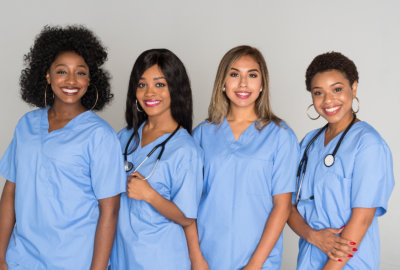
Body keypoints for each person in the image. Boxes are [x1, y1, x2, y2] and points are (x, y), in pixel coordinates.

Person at [0, 25, 125, 270]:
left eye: (80, 72)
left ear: (90, 79)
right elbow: (10, 193)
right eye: (61, 71)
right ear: (47, 76)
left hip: (73, 261)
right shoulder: (27, 125)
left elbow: (109, 210)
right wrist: (1, 256)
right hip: (21, 259)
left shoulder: (100, 135)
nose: (71, 80)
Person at [191, 45, 299, 270]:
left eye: (252, 75)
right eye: (234, 74)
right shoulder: (202, 133)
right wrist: (196, 258)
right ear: (223, 82)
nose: (243, 83)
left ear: (262, 84)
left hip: (258, 260)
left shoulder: (281, 135)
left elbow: (282, 206)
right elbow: (188, 203)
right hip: (207, 255)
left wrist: (255, 265)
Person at [287, 51, 395, 270]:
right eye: (319, 93)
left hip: (349, 262)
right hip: (308, 257)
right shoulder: (309, 142)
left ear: (353, 88)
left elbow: (362, 218)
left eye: (337, 89)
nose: (328, 100)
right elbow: (286, 204)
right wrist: (313, 236)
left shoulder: (369, 144)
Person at [110, 49, 203, 269]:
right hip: (121, 256)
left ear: (175, 89)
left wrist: (150, 195)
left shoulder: (185, 149)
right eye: (142, 85)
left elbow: (187, 217)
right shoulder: (123, 137)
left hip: (160, 258)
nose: (149, 93)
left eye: (160, 84)